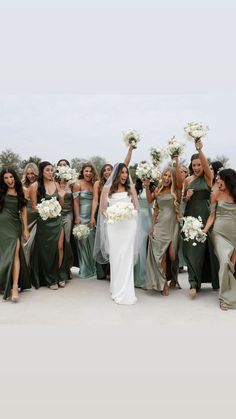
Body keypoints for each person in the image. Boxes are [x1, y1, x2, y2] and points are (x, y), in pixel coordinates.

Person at [94, 163, 139, 304]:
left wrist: (127, 213)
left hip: (128, 225)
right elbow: (102, 209)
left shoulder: (130, 188)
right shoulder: (107, 189)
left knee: (126, 256)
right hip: (113, 226)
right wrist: (113, 215)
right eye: (122, 172)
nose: (125, 175)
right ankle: (115, 287)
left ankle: (126, 291)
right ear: (117, 174)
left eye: (127, 173)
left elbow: (137, 208)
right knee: (116, 256)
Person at [90, 145, 135, 280]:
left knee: (122, 250)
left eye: (110, 170)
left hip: (125, 220)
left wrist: (130, 150)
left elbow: (124, 165)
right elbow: (97, 202)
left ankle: (119, 276)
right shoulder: (101, 185)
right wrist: (95, 216)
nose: (107, 172)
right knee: (110, 248)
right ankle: (107, 274)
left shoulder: (126, 186)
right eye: (105, 170)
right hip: (109, 217)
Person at [182, 140, 219, 298]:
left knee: (206, 249)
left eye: (199, 164)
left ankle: (211, 280)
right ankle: (193, 283)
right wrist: (186, 196)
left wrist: (200, 149)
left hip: (205, 216)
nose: (197, 168)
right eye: (194, 165)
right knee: (191, 248)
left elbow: (205, 163)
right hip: (190, 216)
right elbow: (183, 200)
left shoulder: (209, 178)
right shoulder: (187, 181)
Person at [30, 161, 70, 289]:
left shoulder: (57, 184)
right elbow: (33, 207)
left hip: (57, 219)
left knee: (59, 247)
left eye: (52, 170)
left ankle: (59, 274)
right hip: (44, 222)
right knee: (47, 250)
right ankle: (50, 278)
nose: (50, 172)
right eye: (47, 170)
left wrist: (62, 197)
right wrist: (45, 209)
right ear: (42, 171)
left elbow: (62, 206)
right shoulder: (35, 186)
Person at [145, 159, 181, 296]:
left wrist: (176, 159)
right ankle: (163, 282)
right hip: (160, 226)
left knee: (172, 255)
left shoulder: (176, 190)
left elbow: (178, 178)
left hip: (173, 225)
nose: (166, 178)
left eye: (169, 176)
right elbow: (150, 202)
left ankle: (173, 277)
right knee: (162, 255)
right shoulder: (158, 190)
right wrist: (148, 186)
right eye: (164, 175)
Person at [203, 168, 236, 310]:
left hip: (234, 233)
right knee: (224, 262)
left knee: (232, 265)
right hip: (219, 233)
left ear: (228, 179)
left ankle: (231, 293)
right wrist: (204, 230)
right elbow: (212, 215)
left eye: (219, 178)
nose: (217, 181)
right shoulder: (215, 194)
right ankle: (225, 299)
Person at [0, 167, 31, 301]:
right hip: (1, 226)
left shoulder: (22, 190)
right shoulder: (1, 191)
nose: (9, 180)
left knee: (15, 252)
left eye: (11, 177)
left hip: (14, 226)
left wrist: (25, 229)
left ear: (15, 177)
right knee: (5, 255)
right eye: (6, 178)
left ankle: (14, 287)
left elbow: (24, 212)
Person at [55, 159, 80, 275]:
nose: (62, 166)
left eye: (64, 165)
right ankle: (57, 266)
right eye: (60, 165)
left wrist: (77, 217)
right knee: (57, 243)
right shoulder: (54, 182)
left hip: (68, 215)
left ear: (68, 167)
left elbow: (75, 202)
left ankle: (67, 267)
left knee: (67, 241)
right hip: (56, 214)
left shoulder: (73, 184)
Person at [72, 163, 97, 278]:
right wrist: (77, 217)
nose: (88, 173)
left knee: (91, 243)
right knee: (82, 243)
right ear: (82, 172)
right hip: (82, 216)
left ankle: (92, 268)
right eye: (86, 171)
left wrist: (93, 216)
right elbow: (76, 202)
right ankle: (84, 269)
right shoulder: (77, 184)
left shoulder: (94, 184)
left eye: (90, 171)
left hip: (91, 216)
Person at [133, 178, 153, 288]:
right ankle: (138, 278)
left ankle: (147, 277)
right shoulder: (136, 189)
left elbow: (151, 204)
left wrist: (148, 186)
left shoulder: (152, 188)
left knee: (148, 248)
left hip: (148, 218)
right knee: (139, 247)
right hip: (138, 219)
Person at [21, 162, 39, 267]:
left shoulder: (39, 185)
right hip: (25, 217)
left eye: (33, 173)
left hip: (37, 217)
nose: (30, 176)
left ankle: (34, 271)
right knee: (25, 243)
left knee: (35, 245)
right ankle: (25, 270)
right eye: (28, 174)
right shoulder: (21, 186)